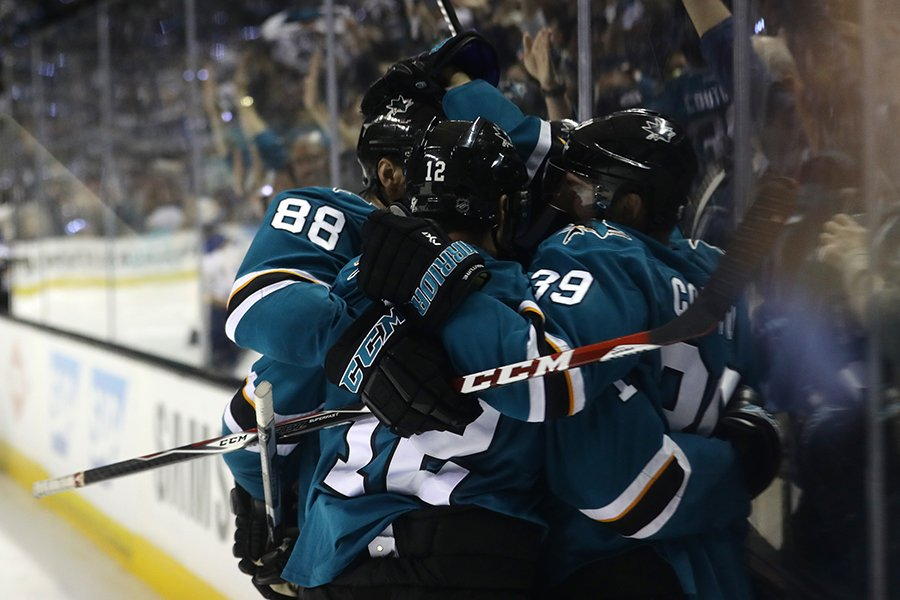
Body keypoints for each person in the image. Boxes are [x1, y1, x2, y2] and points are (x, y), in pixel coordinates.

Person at [352, 108, 785, 599]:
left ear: (628, 205)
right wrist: (740, 452)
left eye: (577, 190)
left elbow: (545, 382)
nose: (559, 202)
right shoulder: (712, 271)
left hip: (613, 563)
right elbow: (754, 392)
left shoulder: (596, 247)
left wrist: (438, 283)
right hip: (715, 566)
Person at [286, 118, 547, 599]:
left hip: (336, 563)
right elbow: (545, 389)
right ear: (503, 208)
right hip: (466, 558)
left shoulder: (349, 280)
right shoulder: (512, 288)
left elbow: (273, 396)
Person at [219, 87, 444, 599]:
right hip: (466, 544)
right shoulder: (489, 262)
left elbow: (248, 429)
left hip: (356, 547)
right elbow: (261, 309)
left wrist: (268, 502)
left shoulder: (365, 277)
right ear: (389, 174)